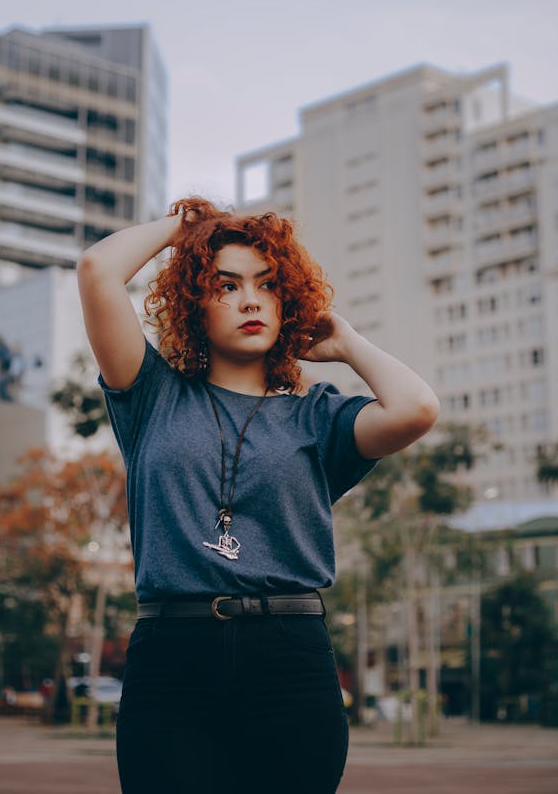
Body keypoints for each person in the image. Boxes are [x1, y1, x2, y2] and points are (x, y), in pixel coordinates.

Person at [77, 198, 439, 794]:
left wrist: (345, 341)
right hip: (172, 658)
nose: (250, 299)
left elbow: (417, 409)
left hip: (289, 660)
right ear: (196, 300)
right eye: (226, 285)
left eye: (267, 285)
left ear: (286, 301)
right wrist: (189, 228)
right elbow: (97, 270)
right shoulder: (151, 396)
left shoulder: (319, 419)